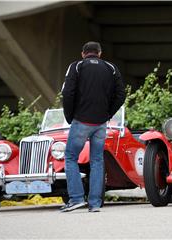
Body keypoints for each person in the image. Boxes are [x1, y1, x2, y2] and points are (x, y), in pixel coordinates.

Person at [61, 41, 125, 212]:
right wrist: (108, 114)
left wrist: (70, 116)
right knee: (97, 161)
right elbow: (121, 94)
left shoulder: (76, 66)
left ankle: (76, 199)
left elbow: (67, 92)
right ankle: (95, 203)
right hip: (100, 123)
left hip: (81, 121)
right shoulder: (110, 68)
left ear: (83, 53)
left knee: (70, 158)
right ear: (100, 53)